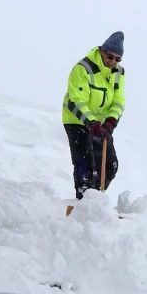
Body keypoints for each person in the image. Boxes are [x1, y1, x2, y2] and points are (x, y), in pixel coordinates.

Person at [61, 31, 125, 199]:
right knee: (85, 164)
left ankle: (94, 201)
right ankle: (83, 201)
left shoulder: (118, 73)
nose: (112, 62)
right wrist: (92, 123)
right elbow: (76, 100)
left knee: (110, 165)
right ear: (102, 51)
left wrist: (111, 121)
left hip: (101, 126)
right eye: (109, 56)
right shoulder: (83, 69)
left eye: (117, 59)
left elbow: (119, 101)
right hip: (77, 120)